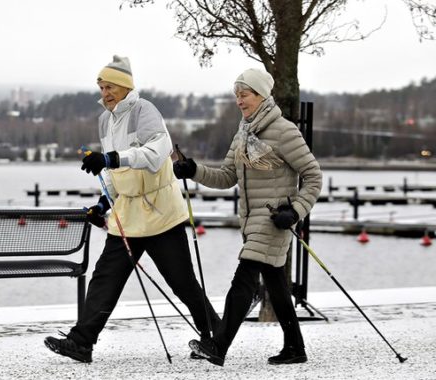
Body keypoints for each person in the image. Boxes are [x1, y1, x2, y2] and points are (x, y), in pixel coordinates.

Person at [44, 55, 221, 363]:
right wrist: (103, 203)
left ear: (125, 87)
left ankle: (216, 337)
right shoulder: (105, 119)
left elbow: (155, 153)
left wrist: (110, 158)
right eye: (101, 87)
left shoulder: (144, 110)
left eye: (110, 86)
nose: (104, 93)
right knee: (105, 277)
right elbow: (115, 175)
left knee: (181, 282)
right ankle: (81, 342)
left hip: (162, 213)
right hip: (127, 215)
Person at [176, 68, 322, 366]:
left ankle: (218, 346)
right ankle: (295, 347)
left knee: (243, 280)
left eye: (245, 95)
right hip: (251, 219)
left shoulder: (284, 130)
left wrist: (295, 211)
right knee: (276, 286)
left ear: (261, 95)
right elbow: (227, 175)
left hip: (273, 220)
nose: (239, 101)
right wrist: (193, 170)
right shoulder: (243, 132)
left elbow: (313, 176)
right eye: (236, 96)